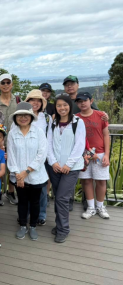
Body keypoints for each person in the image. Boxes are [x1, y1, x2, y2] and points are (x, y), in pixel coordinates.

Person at [46, 94, 86, 243]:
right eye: (59, 105)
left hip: (72, 167)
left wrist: (68, 164)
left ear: (70, 106)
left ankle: (63, 229)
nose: (62, 108)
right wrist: (53, 162)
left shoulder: (78, 122)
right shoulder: (53, 122)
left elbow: (80, 145)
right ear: (55, 107)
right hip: (55, 167)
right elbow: (48, 143)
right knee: (58, 197)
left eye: (65, 105)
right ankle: (59, 225)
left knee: (62, 197)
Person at [6, 102, 48, 241]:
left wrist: (27, 171)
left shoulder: (39, 132)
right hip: (18, 176)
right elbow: (11, 155)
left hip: (35, 175)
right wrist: (18, 175)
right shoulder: (12, 133)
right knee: (22, 202)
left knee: (35, 202)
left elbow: (42, 154)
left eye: (26, 115)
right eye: (20, 115)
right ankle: (23, 225)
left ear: (31, 117)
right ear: (16, 117)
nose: (23, 118)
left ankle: (33, 226)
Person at [76, 91, 111, 220]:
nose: (82, 103)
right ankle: (91, 207)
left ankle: (100, 206)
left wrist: (107, 154)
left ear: (91, 101)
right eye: (79, 101)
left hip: (100, 153)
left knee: (101, 180)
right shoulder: (75, 118)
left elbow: (106, 135)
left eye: (85, 100)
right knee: (86, 180)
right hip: (83, 154)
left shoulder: (101, 116)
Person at [24, 89, 51, 225]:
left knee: (41, 188)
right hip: (26, 158)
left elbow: (50, 138)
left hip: (42, 157)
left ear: (42, 103)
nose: (35, 103)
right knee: (27, 187)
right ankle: (26, 213)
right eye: (32, 100)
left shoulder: (46, 118)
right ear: (27, 101)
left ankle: (41, 214)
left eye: (38, 100)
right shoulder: (22, 116)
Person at [0, 73, 21, 206]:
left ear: (12, 84)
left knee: (12, 167)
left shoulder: (17, 101)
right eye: (3, 83)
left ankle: (10, 192)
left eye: (8, 82)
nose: (5, 85)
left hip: (15, 140)